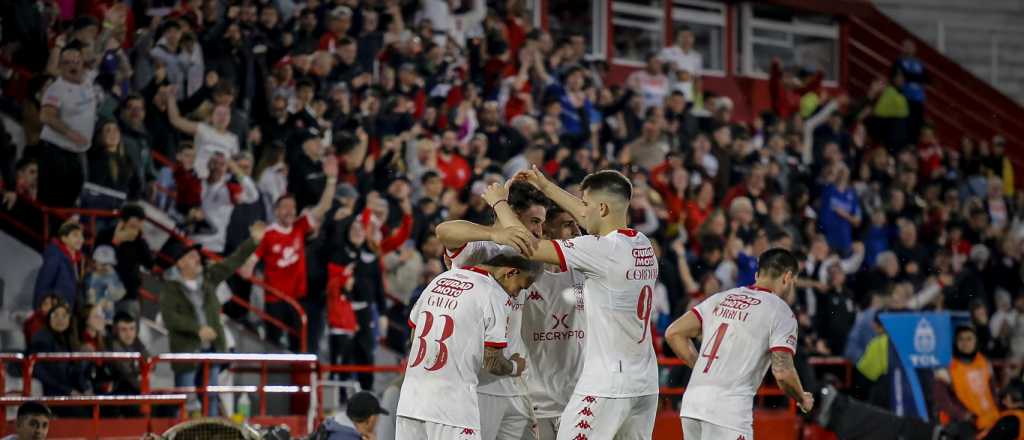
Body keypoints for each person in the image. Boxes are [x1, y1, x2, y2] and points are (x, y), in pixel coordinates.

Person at [505, 167, 660, 439]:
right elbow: (595, 217)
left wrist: (499, 204)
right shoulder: (643, 244)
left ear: (600, 208)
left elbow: (530, 246)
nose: (581, 212)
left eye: (585, 205)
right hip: (645, 383)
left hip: (606, 384)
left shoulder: (598, 250)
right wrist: (546, 186)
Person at [434, 181, 548, 440]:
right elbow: (443, 230)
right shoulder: (480, 248)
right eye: (534, 221)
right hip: (479, 384)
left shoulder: (531, 253)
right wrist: (496, 229)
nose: (540, 230)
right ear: (514, 215)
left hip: (514, 380)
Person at [665, 248, 814, 439]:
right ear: (787, 278)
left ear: (757, 274)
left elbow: (674, 333)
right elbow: (783, 372)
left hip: (692, 405)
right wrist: (802, 398)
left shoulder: (722, 297)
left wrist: (701, 366)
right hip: (728, 412)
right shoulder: (780, 312)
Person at [396, 254, 539, 440]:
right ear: (511, 272)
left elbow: (414, 336)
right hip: (453, 408)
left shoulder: (439, 280)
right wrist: (514, 367)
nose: (516, 294)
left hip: (410, 403)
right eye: (520, 287)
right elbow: (492, 362)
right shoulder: (493, 294)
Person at [158, 222, 266, 416]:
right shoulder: (170, 288)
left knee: (211, 397)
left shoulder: (209, 278)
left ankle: (213, 433)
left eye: (197, 256)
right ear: (180, 263)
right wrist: (197, 330)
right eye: (191, 257)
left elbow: (232, 262)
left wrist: (253, 242)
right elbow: (170, 318)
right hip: (187, 352)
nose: (197, 259)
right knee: (186, 400)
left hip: (211, 351)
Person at [243, 155, 337, 351]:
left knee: (298, 345)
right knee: (273, 344)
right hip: (275, 299)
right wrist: (248, 268)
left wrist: (331, 180)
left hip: (297, 300)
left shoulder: (299, 227)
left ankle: (296, 381)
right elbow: (251, 261)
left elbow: (323, 207)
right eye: (284, 207)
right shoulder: (268, 234)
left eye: (292, 207)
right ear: (276, 211)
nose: (289, 211)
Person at [37, 41, 99, 207]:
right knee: (51, 202)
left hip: (77, 155)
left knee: (70, 201)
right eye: (66, 63)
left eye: (76, 62)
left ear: (82, 64)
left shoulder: (87, 80)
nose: (72, 66)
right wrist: (71, 133)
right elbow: (46, 116)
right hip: (56, 154)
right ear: (60, 67)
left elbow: (98, 50)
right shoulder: (57, 88)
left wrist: (108, 27)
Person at [934, 325, 1000, 432]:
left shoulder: (985, 363)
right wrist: (965, 416)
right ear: (955, 342)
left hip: (992, 420)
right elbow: (942, 400)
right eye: (961, 339)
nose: (965, 343)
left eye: (969, 339)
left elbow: (993, 390)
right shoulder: (946, 369)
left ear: (976, 341)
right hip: (965, 424)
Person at [94, 204, 153, 317]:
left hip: (128, 294)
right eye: (134, 224)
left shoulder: (139, 241)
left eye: (140, 223)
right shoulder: (105, 235)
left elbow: (149, 264)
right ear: (123, 221)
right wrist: (116, 242)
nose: (137, 228)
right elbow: (99, 259)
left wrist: (140, 240)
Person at [33, 222, 84, 309]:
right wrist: (39, 309)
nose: (81, 239)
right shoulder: (55, 257)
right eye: (75, 235)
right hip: (54, 312)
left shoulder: (77, 259)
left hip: (66, 311)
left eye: (81, 236)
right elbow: (43, 284)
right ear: (64, 238)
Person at [84, 245, 125, 323]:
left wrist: (106, 299)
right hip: (90, 314)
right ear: (95, 262)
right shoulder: (90, 275)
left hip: (106, 316)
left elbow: (121, 291)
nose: (105, 267)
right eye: (103, 264)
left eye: (108, 264)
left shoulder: (112, 275)